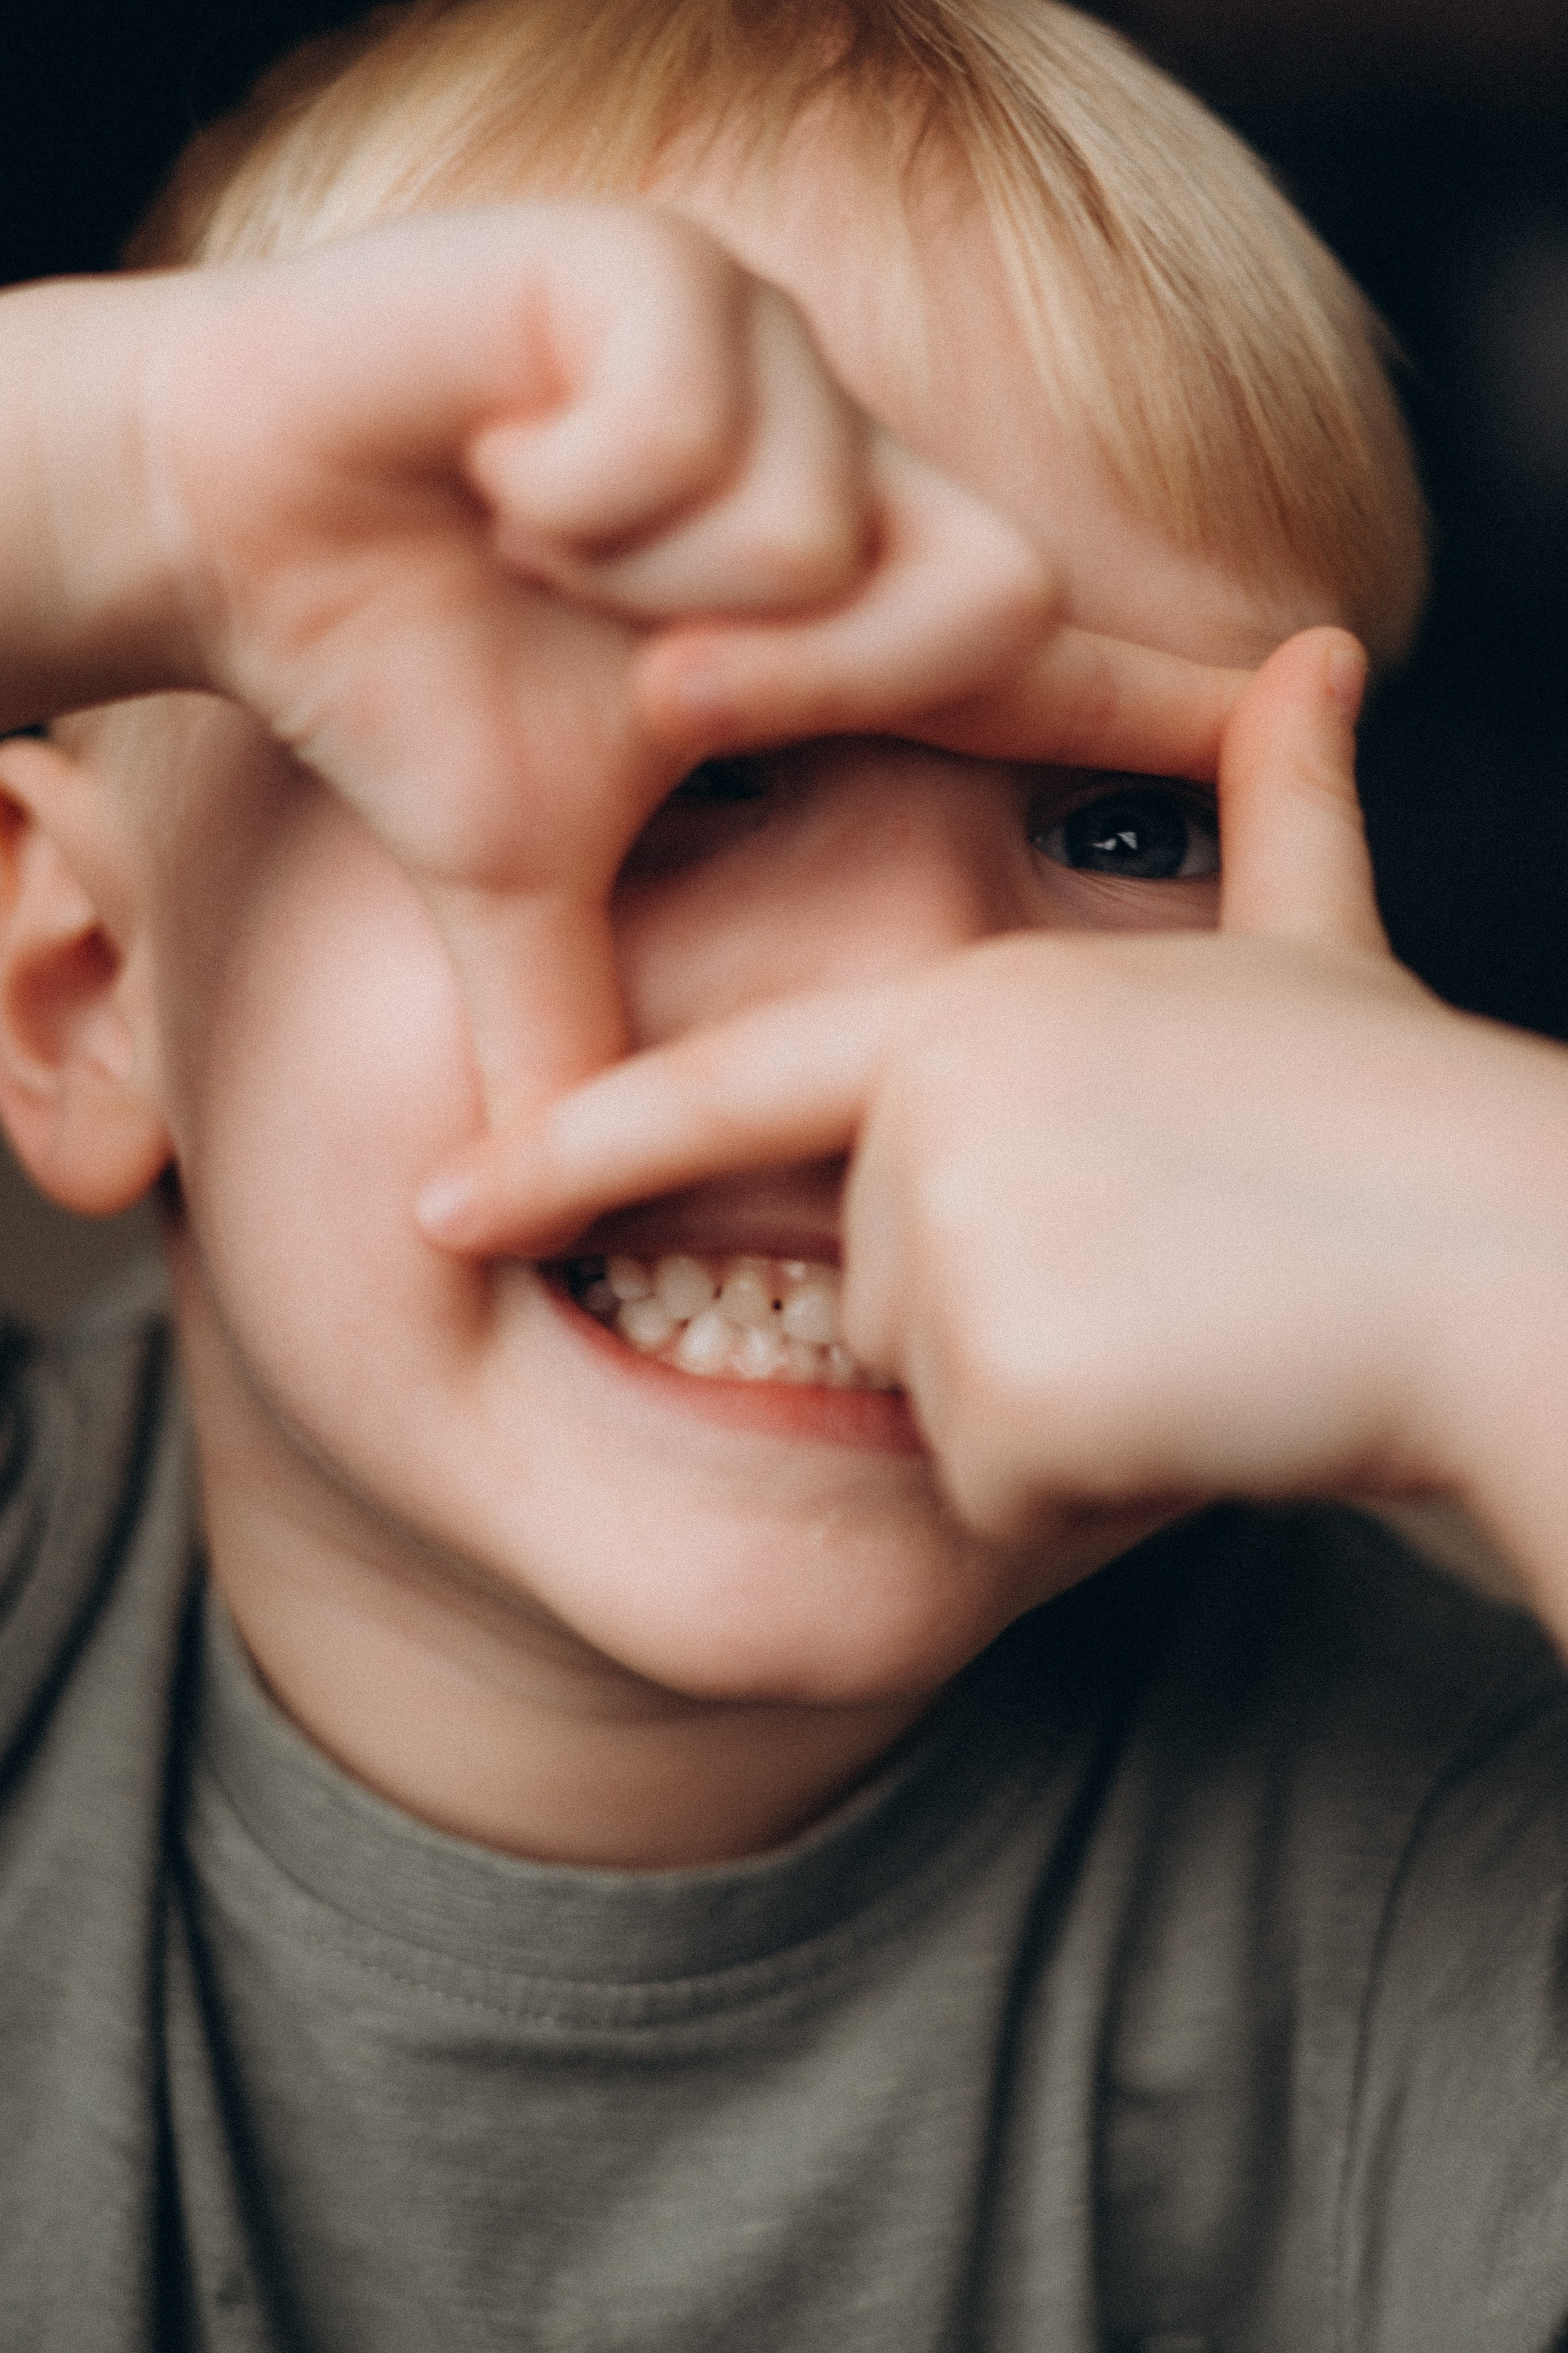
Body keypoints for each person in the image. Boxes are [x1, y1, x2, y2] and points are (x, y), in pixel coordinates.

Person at [1, 1, 1566, 2344]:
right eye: (700, 764)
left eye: (1133, 826)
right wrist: (122, 463)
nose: (931, 996)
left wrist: (1504, 1257)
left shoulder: (1443, 1865)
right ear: (86, 990)